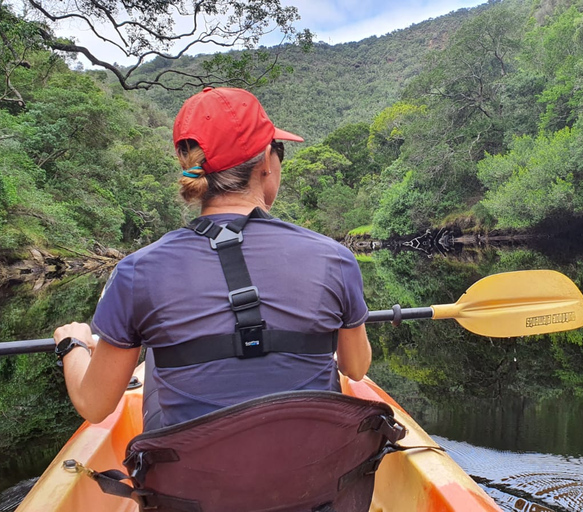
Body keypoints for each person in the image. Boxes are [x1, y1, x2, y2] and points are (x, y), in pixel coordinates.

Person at [53, 87, 372, 430]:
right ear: (266, 161)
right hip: (314, 477)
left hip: (190, 482)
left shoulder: (136, 271)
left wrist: (72, 344)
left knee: (158, 356)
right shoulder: (335, 258)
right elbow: (355, 368)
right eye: (278, 150)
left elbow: (93, 405)